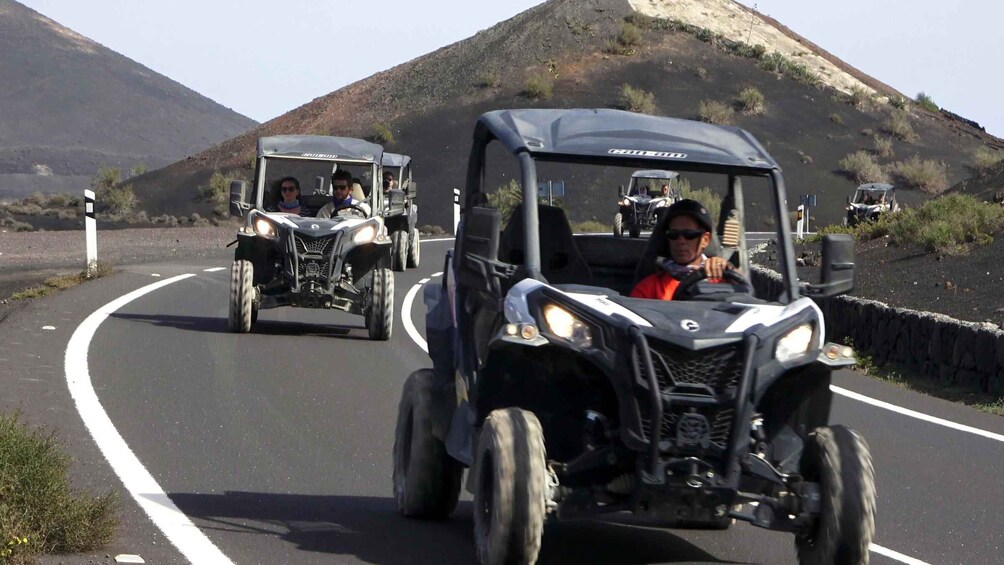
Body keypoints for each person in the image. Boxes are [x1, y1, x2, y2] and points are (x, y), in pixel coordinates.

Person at [630, 199, 735, 300]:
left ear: (705, 239)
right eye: (673, 235)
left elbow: (745, 301)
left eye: (689, 235)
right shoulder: (650, 288)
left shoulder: (722, 280)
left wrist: (730, 270)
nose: (681, 241)